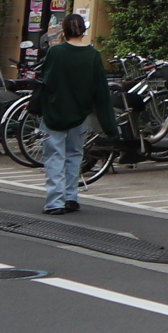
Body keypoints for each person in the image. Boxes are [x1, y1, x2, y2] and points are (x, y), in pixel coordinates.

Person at [34, 11, 118, 215]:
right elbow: (101, 92)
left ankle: (55, 202)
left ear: (63, 31)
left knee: (54, 156)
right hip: (80, 114)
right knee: (74, 155)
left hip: (54, 113)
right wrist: (110, 127)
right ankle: (71, 197)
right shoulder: (93, 56)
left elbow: (47, 80)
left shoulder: (56, 52)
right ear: (84, 31)